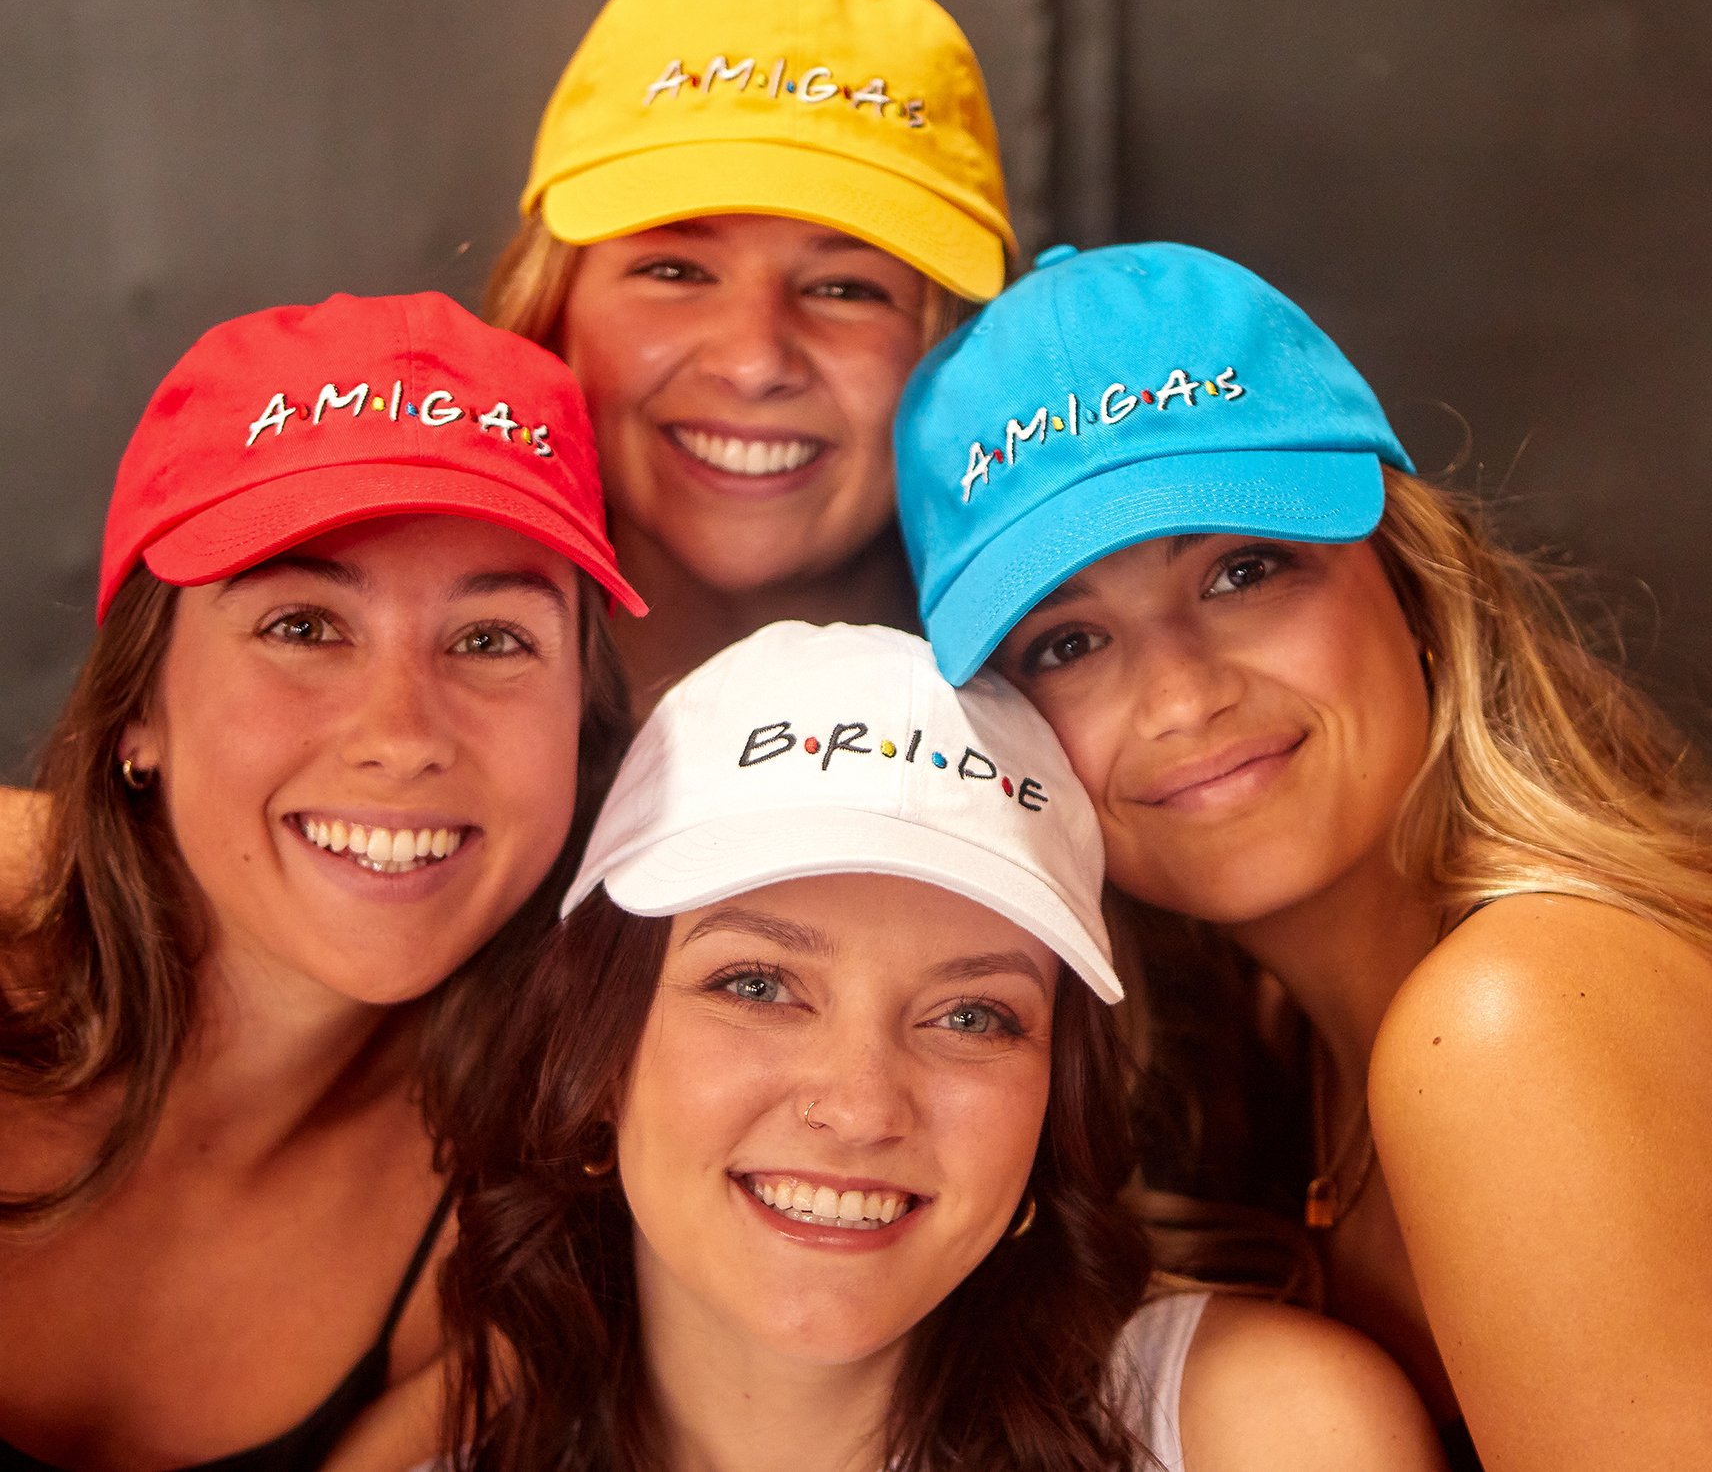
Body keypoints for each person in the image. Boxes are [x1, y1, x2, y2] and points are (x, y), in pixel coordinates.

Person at [893, 241, 1712, 1471]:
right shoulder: (1275, 1064)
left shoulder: (1516, 1021)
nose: (1180, 697)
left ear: (1414, 583)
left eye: (1242, 571)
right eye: (1066, 644)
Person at [438, 620, 1442, 1472]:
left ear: (1058, 1094)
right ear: (598, 1048)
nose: (861, 1106)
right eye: (757, 985)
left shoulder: (1266, 1434)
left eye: (971, 1016)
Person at [0, 292, 643, 1471]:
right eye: (303, 626)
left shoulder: (511, 1230)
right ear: (139, 708)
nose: (401, 736)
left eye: (492, 640)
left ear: (581, 732)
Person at [486, 0, 1016, 708]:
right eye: (676, 272)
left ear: (962, 343)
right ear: (549, 310)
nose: (754, 362)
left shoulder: (1093, 739)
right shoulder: (409, 746)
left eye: (845, 289)